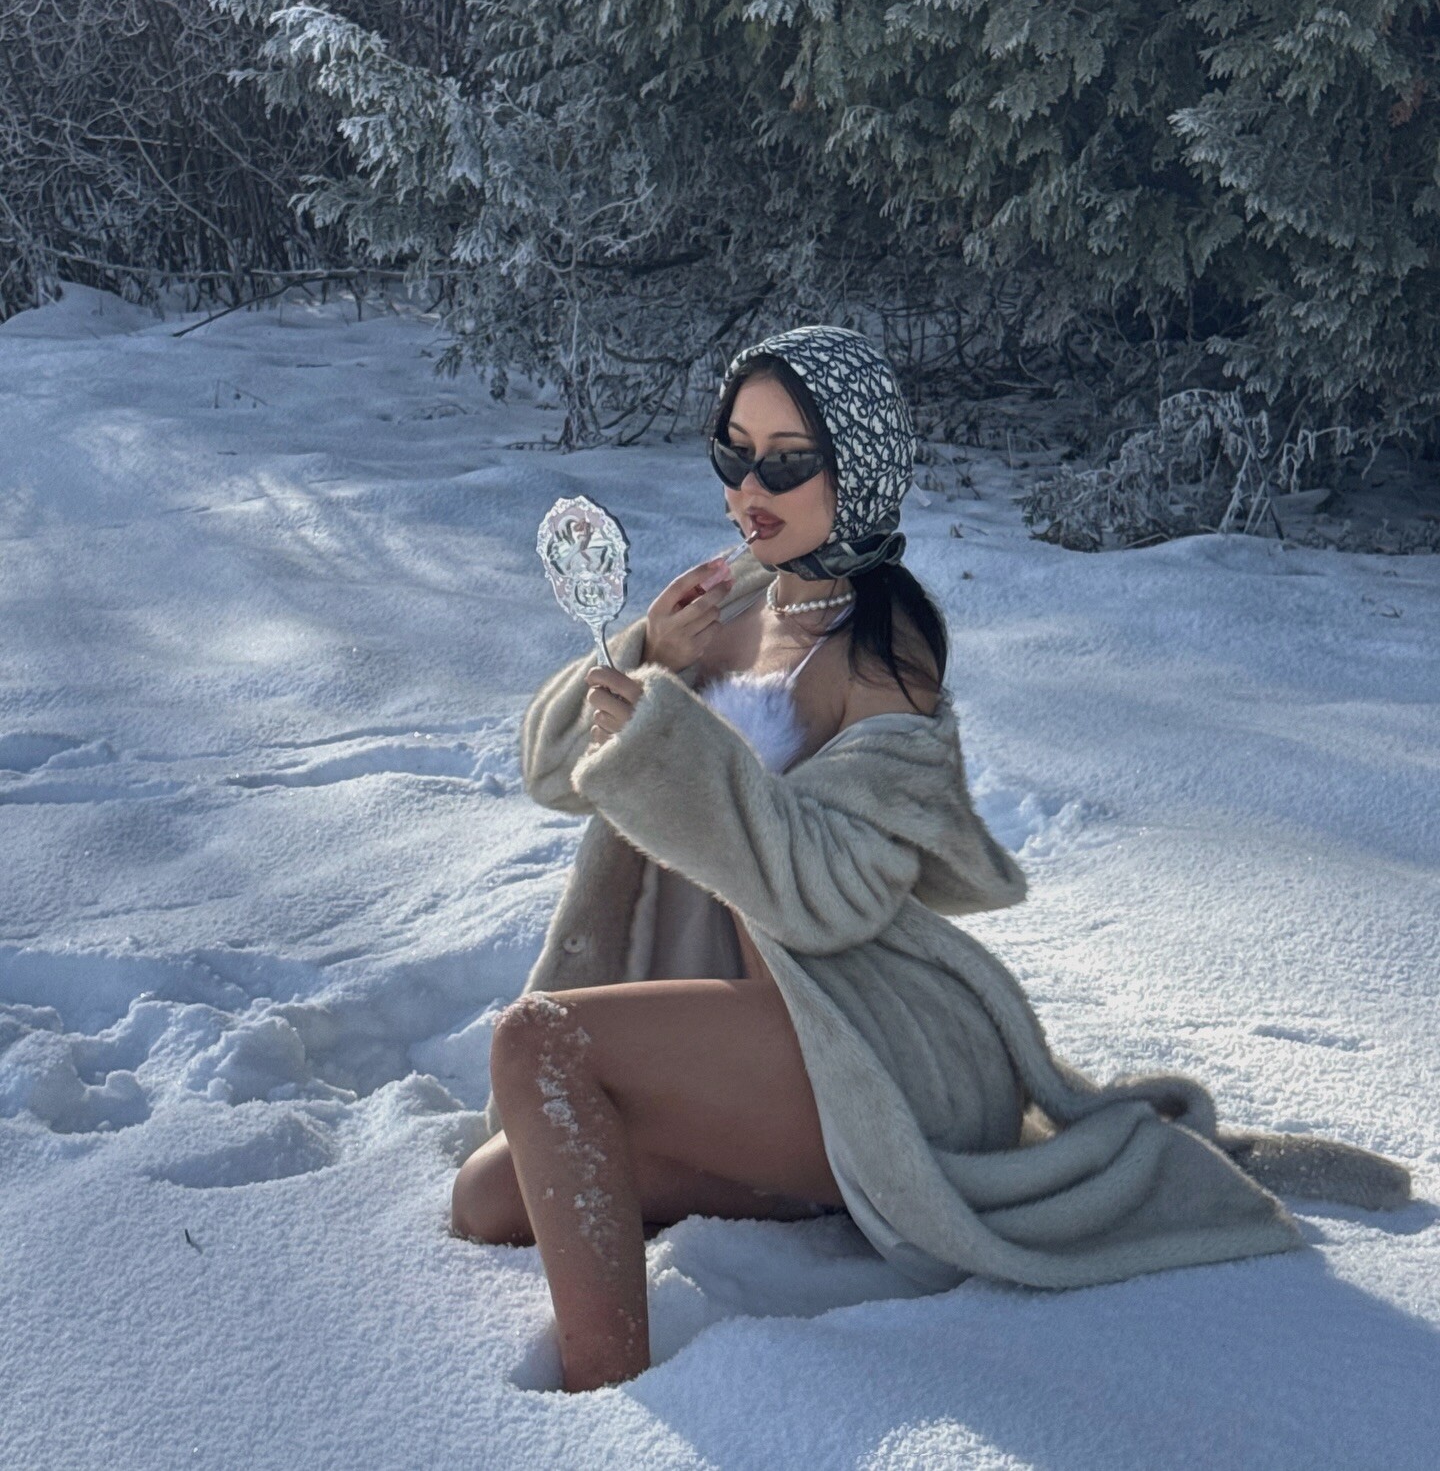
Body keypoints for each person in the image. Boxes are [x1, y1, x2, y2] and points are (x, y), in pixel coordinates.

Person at [449, 325, 1407, 1396]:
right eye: (734, 453)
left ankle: (602, 1401)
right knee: (488, 1196)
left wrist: (670, 743)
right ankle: (809, 1187)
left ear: (855, 470)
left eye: (787, 461)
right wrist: (647, 659)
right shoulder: (722, 606)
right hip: (730, 1034)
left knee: (539, 1041)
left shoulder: (885, 651)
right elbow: (555, 772)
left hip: (857, 1041)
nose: (750, 489)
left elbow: (836, 891)